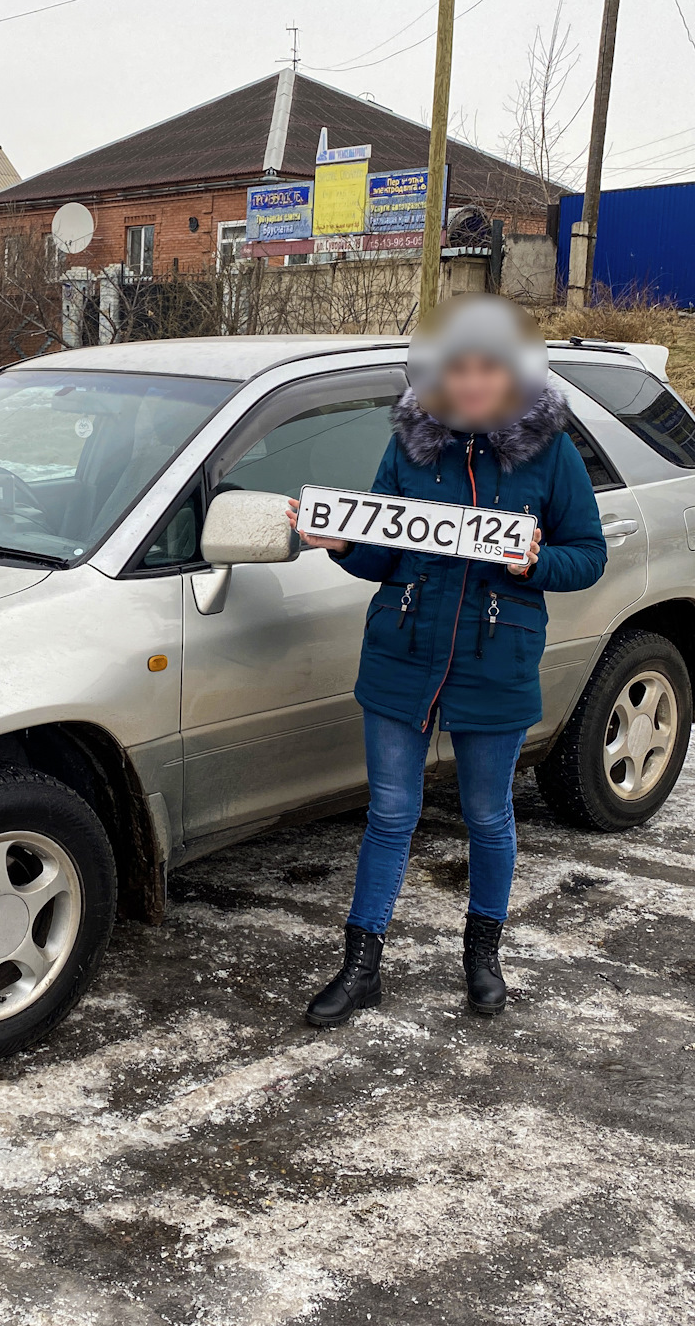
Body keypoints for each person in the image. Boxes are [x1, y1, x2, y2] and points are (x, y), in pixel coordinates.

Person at [287, 295, 607, 1024]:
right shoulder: (409, 448)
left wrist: (536, 562)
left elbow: (587, 555)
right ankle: (361, 965)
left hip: (496, 659)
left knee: (488, 815)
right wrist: (341, 545)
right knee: (390, 814)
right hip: (402, 652)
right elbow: (378, 555)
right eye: (455, 367)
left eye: (486, 368)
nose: (469, 382)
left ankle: (482, 957)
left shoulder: (548, 452)